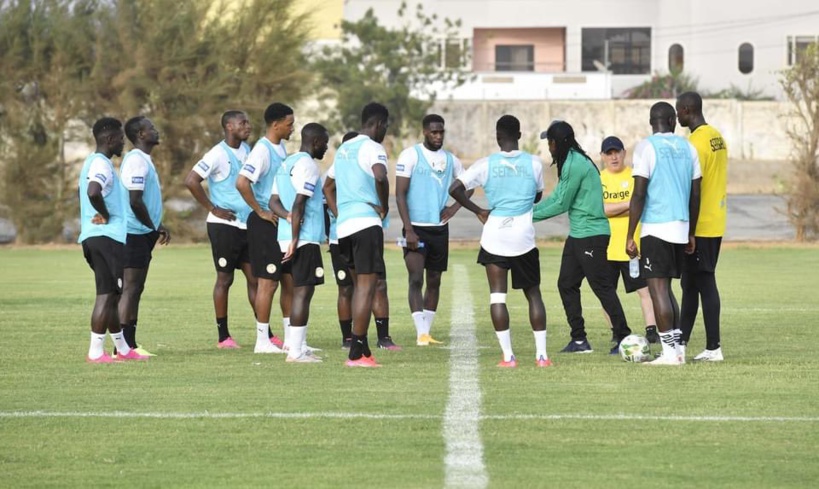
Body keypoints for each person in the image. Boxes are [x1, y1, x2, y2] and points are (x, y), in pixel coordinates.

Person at [449, 115, 552, 368]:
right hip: (524, 236)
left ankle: (508, 357)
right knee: (533, 294)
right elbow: (538, 196)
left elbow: (455, 188)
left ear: (497, 136)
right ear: (519, 135)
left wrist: (478, 210)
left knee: (498, 297)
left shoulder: (485, 164)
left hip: (495, 234)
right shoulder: (535, 163)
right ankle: (542, 356)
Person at [534, 121, 632, 355]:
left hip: (592, 235)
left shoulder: (576, 163)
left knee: (602, 287)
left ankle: (624, 337)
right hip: (578, 234)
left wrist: (525, 217)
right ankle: (579, 340)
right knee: (566, 284)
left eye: (550, 142)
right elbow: (557, 195)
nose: (549, 146)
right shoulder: (570, 162)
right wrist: (529, 210)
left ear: (559, 142)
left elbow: (561, 203)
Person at [626, 101, 702, 366]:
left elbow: (638, 194)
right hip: (681, 228)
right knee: (668, 292)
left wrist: (630, 234)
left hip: (656, 227)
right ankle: (678, 349)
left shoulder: (646, 147)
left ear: (652, 122)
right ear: (672, 121)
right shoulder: (688, 147)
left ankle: (670, 354)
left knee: (658, 291)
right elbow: (695, 194)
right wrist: (691, 232)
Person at [323, 102, 391, 367]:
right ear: (379, 124)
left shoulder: (343, 150)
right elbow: (381, 177)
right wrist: (383, 206)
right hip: (365, 224)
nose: (384, 132)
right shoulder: (372, 147)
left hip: (344, 229)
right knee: (366, 287)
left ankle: (361, 349)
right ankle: (356, 352)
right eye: (385, 127)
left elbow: (328, 186)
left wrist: (340, 212)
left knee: (358, 286)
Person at [184, 110, 256, 349]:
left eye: (247, 122)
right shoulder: (216, 154)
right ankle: (223, 336)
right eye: (242, 122)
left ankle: (265, 333)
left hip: (247, 224)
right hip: (224, 226)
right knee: (225, 279)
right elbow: (191, 180)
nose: (248, 126)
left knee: (255, 279)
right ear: (229, 126)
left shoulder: (247, 151)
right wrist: (212, 208)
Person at [79, 117, 148, 362]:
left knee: (111, 293)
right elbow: (93, 191)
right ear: (109, 140)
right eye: (120, 138)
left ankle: (123, 348)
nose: (123, 143)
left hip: (97, 237)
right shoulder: (101, 165)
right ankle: (96, 352)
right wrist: (106, 214)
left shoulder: (93, 162)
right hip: (104, 237)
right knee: (107, 295)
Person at [396, 114, 466, 346]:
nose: (438, 136)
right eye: (434, 132)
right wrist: (408, 229)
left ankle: (427, 332)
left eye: (441, 132)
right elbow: (399, 194)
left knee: (434, 280)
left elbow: (470, 184)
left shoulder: (451, 160)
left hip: (439, 230)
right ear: (424, 132)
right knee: (416, 278)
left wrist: (455, 208)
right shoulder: (410, 155)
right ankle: (421, 333)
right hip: (415, 228)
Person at [236, 103, 294, 354]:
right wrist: (260, 211)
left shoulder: (281, 148)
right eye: (290, 123)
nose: (293, 128)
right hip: (264, 223)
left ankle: (293, 340)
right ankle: (262, 341)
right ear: (276, 124)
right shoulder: (262, 150)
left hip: (280, 223)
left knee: (289, 281)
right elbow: (242, 182)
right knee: (267, 282)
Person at [269, 123, 330, 363]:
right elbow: (300, 203)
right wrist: (296, 238)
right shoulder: (308, 165)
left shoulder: (286, 164)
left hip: (284, 236)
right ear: (315, 142)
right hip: (303, 239)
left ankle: (298, 346)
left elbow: (274, 201)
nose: (326, 148)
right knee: (303, 293)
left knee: (296, 292)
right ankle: (295, 352)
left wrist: (287, 219)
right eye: (324, 143)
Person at [676, 91, 728, 362]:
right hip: (715, 220)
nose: (676, 116)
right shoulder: (717, 136)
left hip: (700, 224)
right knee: (690, 283)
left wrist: (689, 230)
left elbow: (691, 190)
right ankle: (681, 343)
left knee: (704, 281)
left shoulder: (694, 143)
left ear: (687, 109)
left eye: (678, 111)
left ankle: (713, 347)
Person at [598, 136, 659, 344]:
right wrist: (629, 204)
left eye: (617, 152)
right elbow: (600, 210)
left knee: (645, 291)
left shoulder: (635, 176)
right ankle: (617, 332)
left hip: (632, 246)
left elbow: (642, 204)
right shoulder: (599, 180)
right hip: (607, 246)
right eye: (609, 153)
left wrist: (623, 208)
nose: (614, 157)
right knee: (606, 294)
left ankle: (652, 331)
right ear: (602, 156)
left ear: (624, 153)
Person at [119, 116, 171, 356]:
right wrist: (152, 226)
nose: (156, 130)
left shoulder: (144, 160)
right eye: (151, 128)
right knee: (130, 288)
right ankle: (123, 347)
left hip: (142, 232)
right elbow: (135, 200)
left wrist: (157, 224)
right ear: (140, 134)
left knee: (136, 288)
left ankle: (130, 343)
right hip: (133, 232)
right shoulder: (136, 161)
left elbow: (144, 202)